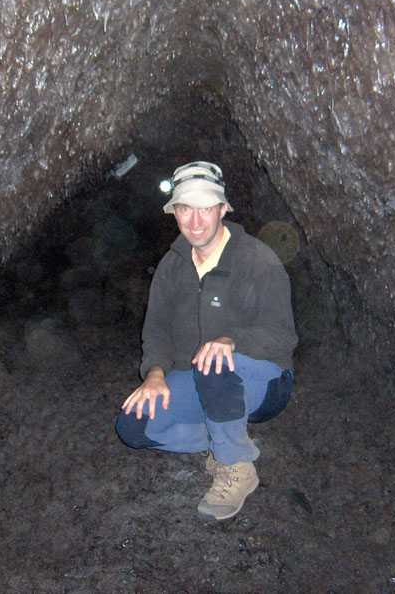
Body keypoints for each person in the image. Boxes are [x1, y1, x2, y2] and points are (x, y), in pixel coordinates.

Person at [116, 160, 298, 520]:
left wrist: (231, 339)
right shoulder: (172, 266)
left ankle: (236, 466)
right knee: (132, 425)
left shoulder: (258, 260)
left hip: (264, 380)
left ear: (223, 208)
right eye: (185, 208)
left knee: (214, 362)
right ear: (174, 212)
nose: (195, 221)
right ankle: (225, 436)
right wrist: (154, 373)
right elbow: (156, 331)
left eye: (205, 208)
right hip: (201, 379)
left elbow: (282, 336)